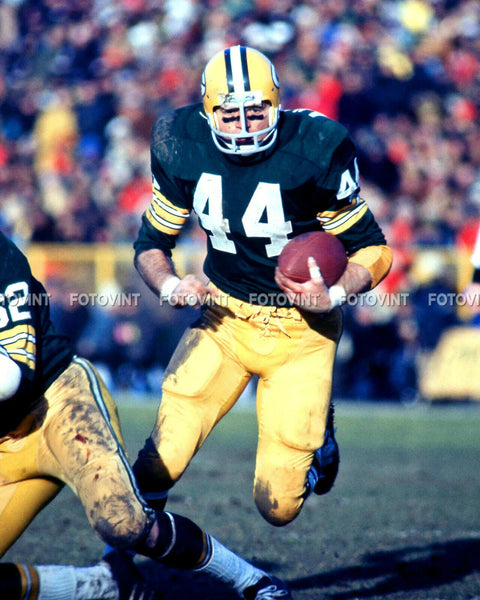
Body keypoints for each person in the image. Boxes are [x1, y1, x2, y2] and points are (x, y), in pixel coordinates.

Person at [132, 45, 393, 527]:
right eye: (230, 115)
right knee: (157, 463)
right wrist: (170, 287)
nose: (246, 126)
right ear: (208, 112)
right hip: (224, 319)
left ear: (277, 103)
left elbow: (374, 249)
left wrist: (333, 295)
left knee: (278, 506)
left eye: (256, 111)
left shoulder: (314, 146)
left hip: (303, 331)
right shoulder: (179, 141)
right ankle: (120, 556)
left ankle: (319, 444)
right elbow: (151, 244)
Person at [0, 230, 291, 600]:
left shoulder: (2, 256)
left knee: (124, 522)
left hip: (57, 403)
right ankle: (101, 586)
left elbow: (10, 377)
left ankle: (252, 581)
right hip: (4, 438)